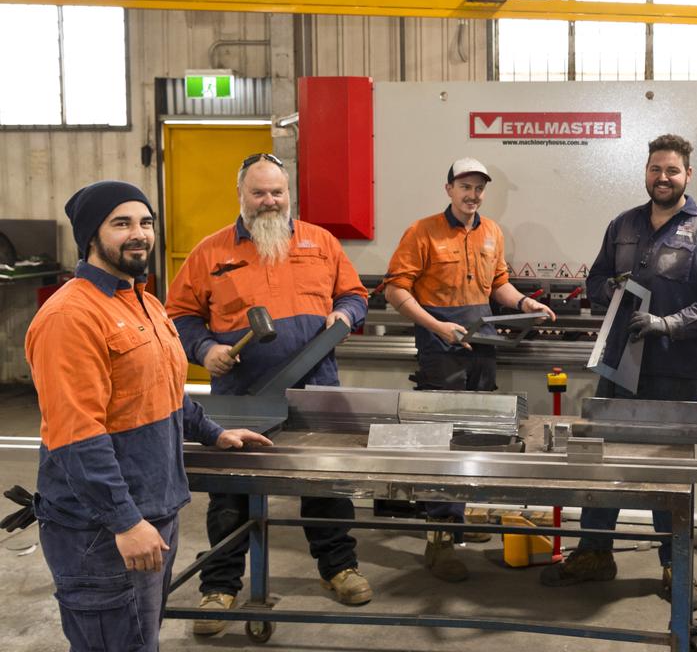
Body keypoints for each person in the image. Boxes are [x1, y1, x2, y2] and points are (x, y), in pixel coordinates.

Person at [26, 181, 271, 652]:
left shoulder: (145, 302)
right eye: (121, 224)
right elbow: (76, 436)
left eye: (145, 223)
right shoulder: (70, 316)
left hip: (153, 513)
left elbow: (164, 392)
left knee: (141, 639)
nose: (138, 234)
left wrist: (212, 433)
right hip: (100, 529)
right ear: (90, 237)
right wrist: (124, 522)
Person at [166, 153, 373, 634]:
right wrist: (205, 346)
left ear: (289, 195)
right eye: (258, 193)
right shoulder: (209, 252)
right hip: (241, 395)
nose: (269, 201)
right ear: (240, 195)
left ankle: (338, 568)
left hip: (316, 389)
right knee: (233, 494)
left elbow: (355, 294)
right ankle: (220, 585)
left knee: (324, 484)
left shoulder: (319, 242)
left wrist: (344, 316)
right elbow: (178, 316)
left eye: (277, 192)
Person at [539, 133, 697, 610]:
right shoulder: (624, 225)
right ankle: (594, 554)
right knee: (601, 462)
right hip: (619, 365)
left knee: (666, 472)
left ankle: (676, 563)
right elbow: (594, 281)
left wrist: (667, 323)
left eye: (672, 170)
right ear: (646, 172)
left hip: (676, 370)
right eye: (656, 169)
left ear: (687, 175)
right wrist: (610, 290)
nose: (663, 178)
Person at [382, 156, 556, 582]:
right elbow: (395, 289)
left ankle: (458, 517)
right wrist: (437, 326)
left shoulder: (491, 231)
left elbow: (497, 284)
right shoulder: (422, 231)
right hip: (439, 344)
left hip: (481, 340)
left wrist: (523, 303)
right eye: (465, 186)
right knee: (440, 437)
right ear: (449, 190)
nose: (472, 195)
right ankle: (439, 534)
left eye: (479, 188)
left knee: (478, 429)